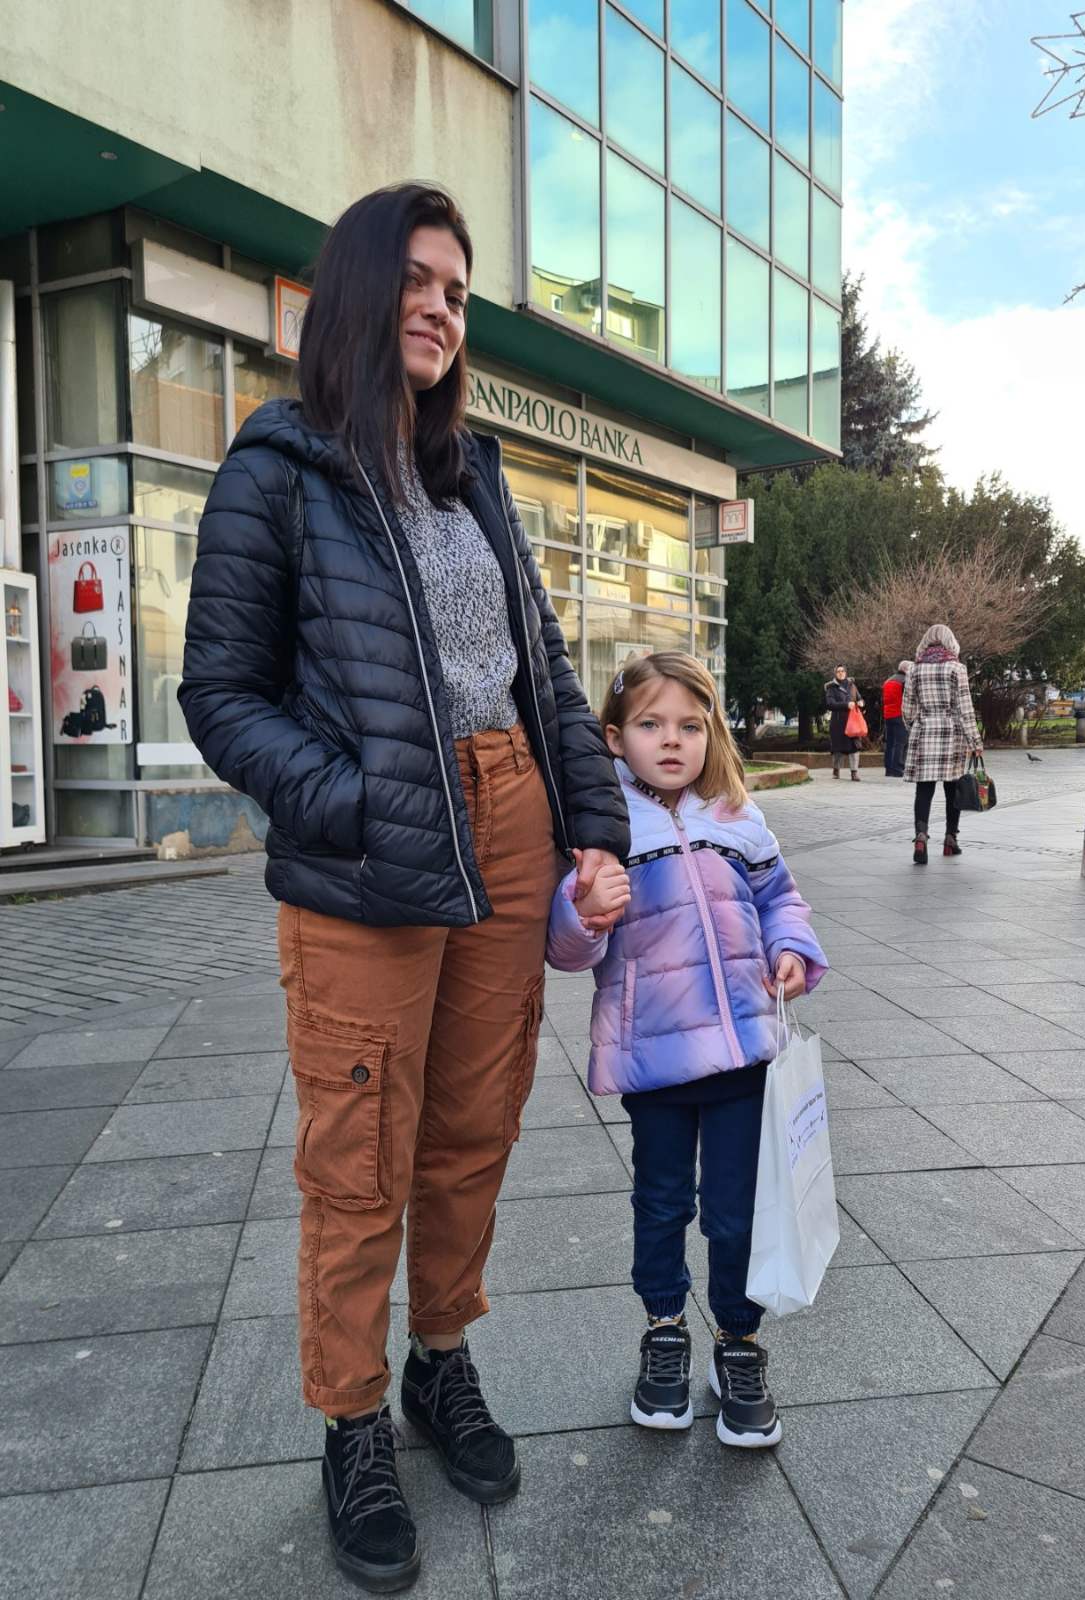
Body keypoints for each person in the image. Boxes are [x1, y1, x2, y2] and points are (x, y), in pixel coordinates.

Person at [179, 183, 629, 1593]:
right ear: (361, 291)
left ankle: (440, 1359)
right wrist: (354, 799)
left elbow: (544, 674)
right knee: (360, 1152)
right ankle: (352, 1420)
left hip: (510, 822)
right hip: (368, 854)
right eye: (421, 281)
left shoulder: (470, 474)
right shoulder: (279, 467)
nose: (442, 308)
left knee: (473, 1125)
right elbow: (220, 696)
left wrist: (595, 822)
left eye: (459, 292)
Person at [547, 651, 829, 1450]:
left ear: (712, 734)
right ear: (614, 737)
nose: (672, 740)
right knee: (663, 1203)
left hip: (744, 1053)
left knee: (737, 1213)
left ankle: (737, 1341)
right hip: (657, 1058)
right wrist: (583, 910)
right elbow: (566, 950)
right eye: (650, 724)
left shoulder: (738, 816)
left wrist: (791, 949)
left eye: (690, 725)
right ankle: (665, 1330)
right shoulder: (600, 830)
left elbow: (780, 898)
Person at [903, 623, 983, 866]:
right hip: (951, 733)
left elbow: (907, 709)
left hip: (924, 731)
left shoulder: (915, 669)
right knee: (952, 789)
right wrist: (975, 740)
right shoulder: (956, 668)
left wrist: (915, 725)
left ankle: (920, 837)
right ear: (951, 642)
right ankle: (950, 839)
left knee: (924, 790)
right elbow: (966, 709)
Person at [825, 664, 865, 780]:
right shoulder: (831, 688)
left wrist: (861, 703)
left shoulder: (852, 685)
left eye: (842, 671)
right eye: (838, 671)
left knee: (855, 747)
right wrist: (846, 705)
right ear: (835, 673)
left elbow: (859, 698)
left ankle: (854, 772)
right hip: (838, 723)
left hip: (853, 722)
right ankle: (836, 770)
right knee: (838, 748)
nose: (841, 673)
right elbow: (830, 704)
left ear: (846, 673)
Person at [882, 660, 913, 776]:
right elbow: (909, 699)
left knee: (890, 742)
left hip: (888, 715)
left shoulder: (888, 681)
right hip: (900, 715)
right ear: (906, 669)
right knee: (901, 742)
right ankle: (898, 769)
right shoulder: (905, 681)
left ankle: (889, 769)